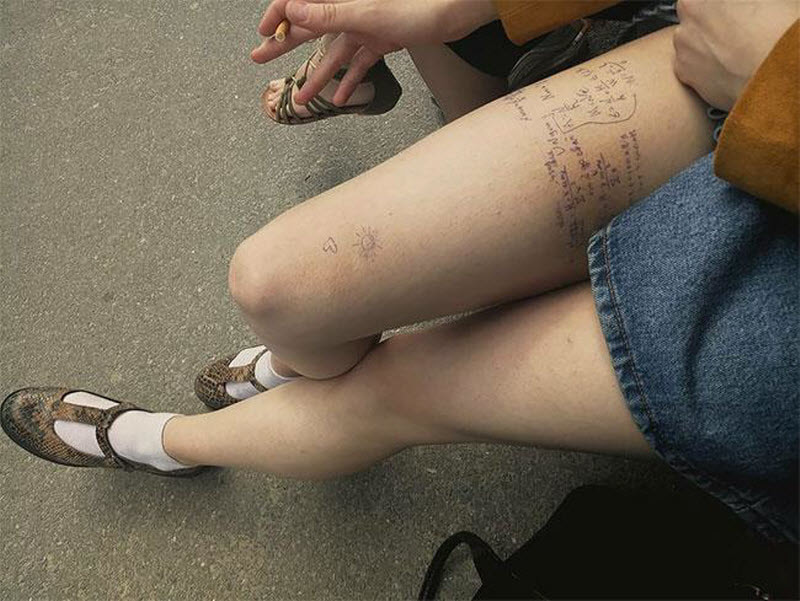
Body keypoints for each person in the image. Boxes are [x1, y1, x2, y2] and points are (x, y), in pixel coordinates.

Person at [3, 0, 797, 546]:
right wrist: (465, 8)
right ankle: (292, 366)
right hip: (749, 55)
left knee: (392, 389)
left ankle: (163, 442)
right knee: (273, 284)